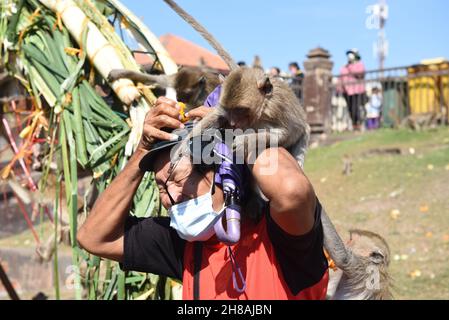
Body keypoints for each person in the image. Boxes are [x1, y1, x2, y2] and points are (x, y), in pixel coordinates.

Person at [77, 94, 329, 300]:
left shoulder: (278, 237)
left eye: (177, 178)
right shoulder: (184, 245)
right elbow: (94, 237)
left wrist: (235, 135)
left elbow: (292, 190)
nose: (171, 196)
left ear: (220, 171)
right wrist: (142, 151)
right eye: (161, 188)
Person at [339, 49, 366, 131]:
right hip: (347, 92)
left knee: (356, 108)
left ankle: (358, 124)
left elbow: (360, 74)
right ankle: (354, 125)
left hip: (357, 91)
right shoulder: (344, 67)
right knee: (350, 109)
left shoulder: (359, 64)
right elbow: (342, 77)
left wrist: (350, 67)